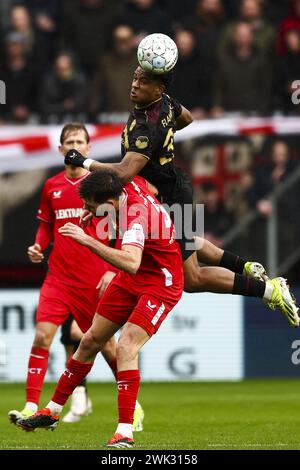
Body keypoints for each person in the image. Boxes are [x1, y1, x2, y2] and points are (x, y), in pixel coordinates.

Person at [63, 66, 299, 328]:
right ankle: (244, 266)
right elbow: (187, 118)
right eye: (134, 77)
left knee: (192, 279)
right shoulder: (164, 103)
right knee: (184, 241)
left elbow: (124, 173)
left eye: (143, 81)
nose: (135, 84)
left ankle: (270, 290)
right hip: (167, 190)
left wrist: (84, 161)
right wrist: (164, 135)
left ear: (158, 88)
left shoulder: (145, 127)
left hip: (169, 197)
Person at [17, 169, 184, 448]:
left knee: (126, 346)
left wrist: (87, 239)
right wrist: (96, 213)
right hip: (133, 278)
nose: (85, 211)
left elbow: (130, 261)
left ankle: (125, 432)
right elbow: (151, 189)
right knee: (90, 339)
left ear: (110, 201)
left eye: (90, 206)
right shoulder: (130, 184)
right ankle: (54, 411)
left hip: (160, 283)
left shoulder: (134, 220)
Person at [8, 122, 144, 431]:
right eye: (70, 141)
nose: (75, 145)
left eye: (80, 141)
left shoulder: (101, 188)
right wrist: (38, 246)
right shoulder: (51, 186)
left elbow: (120, 230)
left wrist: (113, 269)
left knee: (105, 344)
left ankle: (132, 404)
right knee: (43, 335)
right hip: (58, 276)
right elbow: (45, 225)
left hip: (94, 277)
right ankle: (32, 406)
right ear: (60, 149)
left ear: (88, 149)